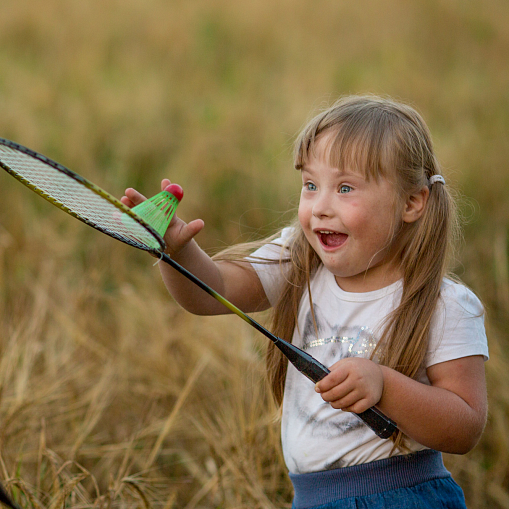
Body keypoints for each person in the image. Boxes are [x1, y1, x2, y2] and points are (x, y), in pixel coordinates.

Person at [121, 95, 488, 508]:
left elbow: (466, 427)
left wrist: (384, 385)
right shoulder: (299, 263)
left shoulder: (444, 305)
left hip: (402, 498)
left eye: (345, 188)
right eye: (310, 185)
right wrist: (175, 252)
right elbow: (213, 291)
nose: (320, 207)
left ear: (411, 202)